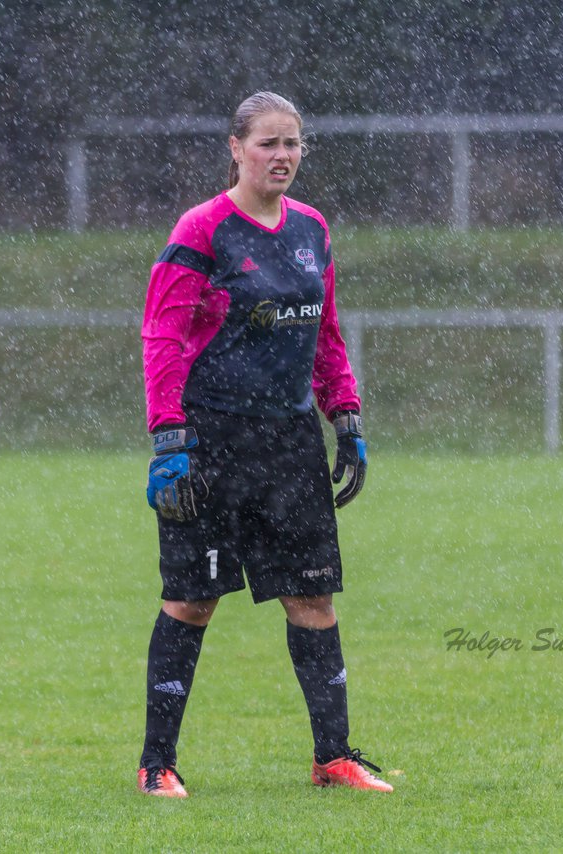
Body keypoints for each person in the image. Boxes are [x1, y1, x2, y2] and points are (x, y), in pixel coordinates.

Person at [137, 91, 390, 798]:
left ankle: (332, 758)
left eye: (293, 143)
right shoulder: (203, 230)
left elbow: (326, 332)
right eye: (269, 143)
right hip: (211, 439)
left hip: (289, 442)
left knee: (313, 599)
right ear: (236, 148)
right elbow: (163, 336)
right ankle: (157, 764)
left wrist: (346, 415)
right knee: (193, 600)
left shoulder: (312, 229)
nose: (283, 156)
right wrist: (169, 441)